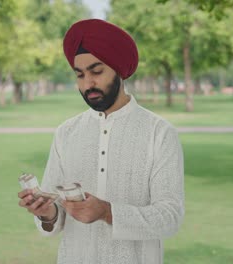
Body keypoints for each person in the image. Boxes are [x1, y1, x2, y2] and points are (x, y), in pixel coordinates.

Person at [18, 19, 185, 264]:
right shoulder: (67, 132)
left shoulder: (158, 133)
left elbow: (170, 218)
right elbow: (56, 213)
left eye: (96, 72)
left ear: (118, 69)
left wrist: (108, 212)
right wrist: (47, 213)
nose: (88, 84)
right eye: (80, 75)